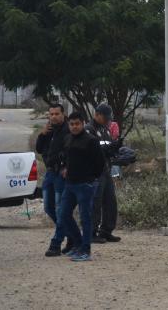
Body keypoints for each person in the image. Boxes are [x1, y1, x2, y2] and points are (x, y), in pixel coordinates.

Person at [58, 112, 105, 262]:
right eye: (71, 124)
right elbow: (65, 157)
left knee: (85, 218)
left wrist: (92, 178)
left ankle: (86, 250)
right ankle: (77, 244)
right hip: (70, 184)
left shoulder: (91, 141)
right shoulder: (67, 139)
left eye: (77, 123)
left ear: (83, 123)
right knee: (63, 214)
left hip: (85, 185)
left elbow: (100, 163)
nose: (74, 127)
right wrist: (64, 167)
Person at [35, 103, 72, 256]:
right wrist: (42, 134)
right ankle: (72, 235)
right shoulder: (49, 130)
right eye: (51, 114)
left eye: (57, 114)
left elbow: (72, 151)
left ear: (63, 114)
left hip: (61, 174)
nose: (54, 117)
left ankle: (56, 243)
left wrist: (67, 166)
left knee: (60, 209)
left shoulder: (68, 130)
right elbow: (38, 149)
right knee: (48, 207)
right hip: (50, 173)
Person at [86, 103, 122, 243]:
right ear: (97, 114)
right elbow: (92, 151)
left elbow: (108, 148)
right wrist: (106, 151)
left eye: (109, 117)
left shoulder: (105, 129)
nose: (108, 120)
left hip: (106, 169)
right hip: (95, 172)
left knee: (110, 201)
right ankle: (91, 232)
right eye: (105, 117)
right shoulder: (89, 130)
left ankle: (106, 230)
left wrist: (117, 149)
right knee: (96, 202)